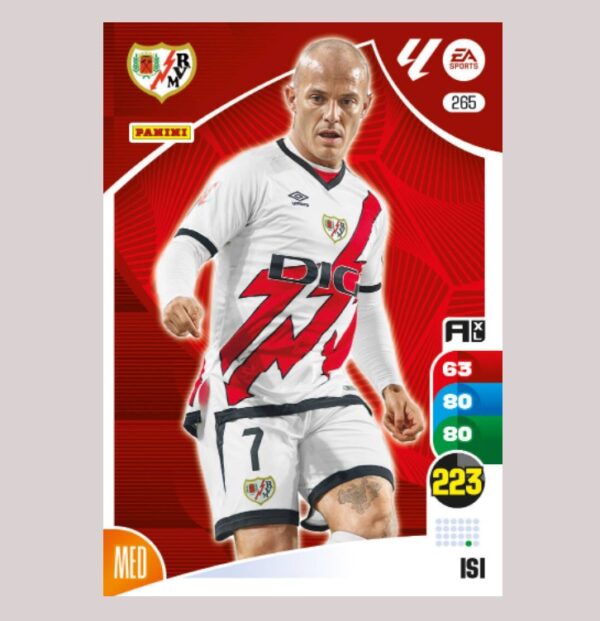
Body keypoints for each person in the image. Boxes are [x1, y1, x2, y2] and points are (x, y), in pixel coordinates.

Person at [155, 38, 425, 560]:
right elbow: (185, 248)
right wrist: (175, 296)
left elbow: (364, 306)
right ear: (292, 97)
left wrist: (390, 385)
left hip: (326, 393)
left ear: (365, 106)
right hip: (247, 395)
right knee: (270, 560)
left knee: (374, 520)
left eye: (347, 101)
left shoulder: (369, 208)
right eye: (318, 97)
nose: (332, 115)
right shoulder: (251, 175)